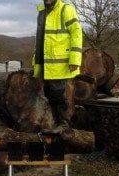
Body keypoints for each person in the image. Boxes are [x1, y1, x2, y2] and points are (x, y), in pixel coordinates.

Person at [32, 0, 83, 132]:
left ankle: (64, 124)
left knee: (57, 95)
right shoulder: (42, 11)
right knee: (48, 94)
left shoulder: (66, 9)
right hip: (45, 63)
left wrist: (75, 59)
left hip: (60, 63)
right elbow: (40, 39)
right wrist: (35, 62)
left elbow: (77, 34)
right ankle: (53, 124)